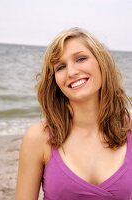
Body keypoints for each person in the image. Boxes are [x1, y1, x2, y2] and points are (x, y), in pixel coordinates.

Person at [15, 27, 132, 200]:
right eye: (60, 67)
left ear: (102, 63)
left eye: (81, 59)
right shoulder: (38, 138)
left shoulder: (129, 130)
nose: (71, 72)